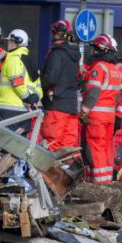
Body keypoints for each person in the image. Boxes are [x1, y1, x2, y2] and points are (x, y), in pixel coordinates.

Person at [81, 33, 122, 184]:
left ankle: (99, 185)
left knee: (95, 149)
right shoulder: (115, 70)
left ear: (101, 50)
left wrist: (83, 111)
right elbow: (117, 97)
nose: (92, 53)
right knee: (105, 149)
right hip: (109, 117)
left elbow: (93, 93)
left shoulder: (99, 68)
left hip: (96, 117)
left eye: (94, 49)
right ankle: (106, 182)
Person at [40, 19, 81, 151]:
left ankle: (49, 172)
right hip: (71, 107)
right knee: (67, 147)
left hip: (56, 106)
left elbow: (50, 78)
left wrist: (39, 87)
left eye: (55, 32)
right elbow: (79, 78)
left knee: (52, 145)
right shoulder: (74, 56)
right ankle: (64, 170)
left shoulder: (56, 54)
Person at [0, 29, 42, 132]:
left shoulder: (13, 59)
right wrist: (35, 97)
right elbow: (38, 85)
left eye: (11, 41)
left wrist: (27, 98)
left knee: (4, 143)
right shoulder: (30, 60)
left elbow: (17, 83)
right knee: (19, 144)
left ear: (18, 43)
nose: (9, 43)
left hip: (8, 109)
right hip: (25, 111)